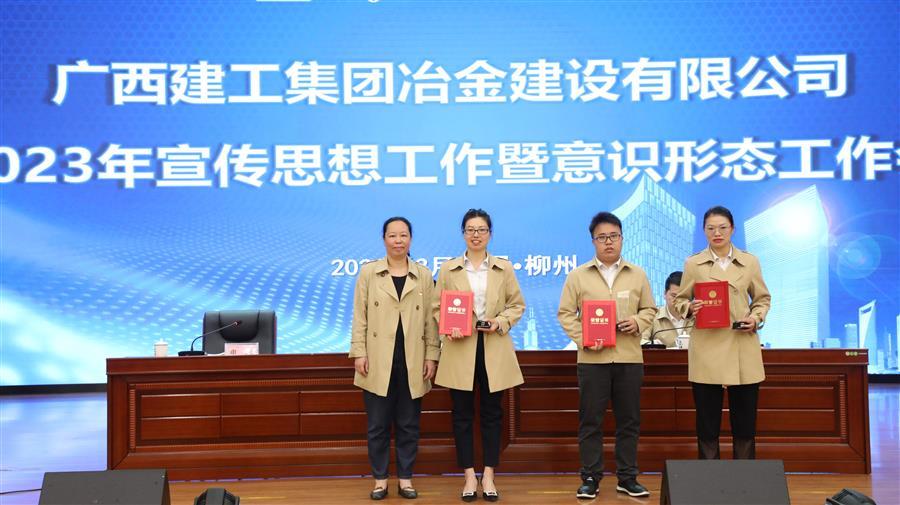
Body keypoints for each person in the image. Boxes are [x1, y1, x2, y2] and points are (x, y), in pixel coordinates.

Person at [557, 212, 657, 500]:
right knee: (591, 421)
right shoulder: (578, 275)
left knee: (629, 421)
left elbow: (650, 309)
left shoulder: (637, 274)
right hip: (592, 361)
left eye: (613, 236)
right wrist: (585, 338)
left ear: (622, 238)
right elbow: (565, 314)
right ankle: (590, 477)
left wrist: (637, 322)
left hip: (628, 358)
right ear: (593, 241)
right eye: (602, 237)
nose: (608, 242)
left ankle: (628, 477)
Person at [432, 208, 525, 502]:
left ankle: (489, 474)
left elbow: (517, 305)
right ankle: (469, 475)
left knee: (492, 414)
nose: (476, 235)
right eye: (470, 230)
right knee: (461, 414)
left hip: (493, 348)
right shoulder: (448, 269)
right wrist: (448, 327)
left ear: (490, 234)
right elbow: (437, 307)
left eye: (481, 230)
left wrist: (501, 322)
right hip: (460, 348)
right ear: (463, 234)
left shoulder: (503, 268)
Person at [349, 216, 440, 500]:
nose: (398, 240)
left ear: (410, 239)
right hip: (378, 359)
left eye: (403, 235)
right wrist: (359, 352)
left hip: (412, 358)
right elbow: (360, 315)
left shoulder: (423, 274)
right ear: (384, 239)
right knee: (377, 425)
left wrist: (432, 356)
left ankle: (405, 479)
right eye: (392, 235)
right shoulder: (369, 273)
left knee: (408, 425)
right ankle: (380, 480)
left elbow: (431, 320)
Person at [674, 205, 771, 460]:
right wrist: (690, 307)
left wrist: (755, 318)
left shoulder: (750, 262)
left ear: (732, 229)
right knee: (707, 423)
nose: (717, 233)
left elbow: (762, 299)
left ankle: (745, 476)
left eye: (722, 227)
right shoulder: (693, 263)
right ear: (704, 231)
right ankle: (709, 477)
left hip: (742, 346)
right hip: (707, 348)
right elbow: (680, 299)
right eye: (711, 228)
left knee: (745, 422)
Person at [640, 271, 694, 349]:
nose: (678, 301)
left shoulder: (698, 317)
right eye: (674, 296)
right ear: (665, 294)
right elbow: (641, 340)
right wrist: (652, 345)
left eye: (683, 297)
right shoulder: (653, 315)